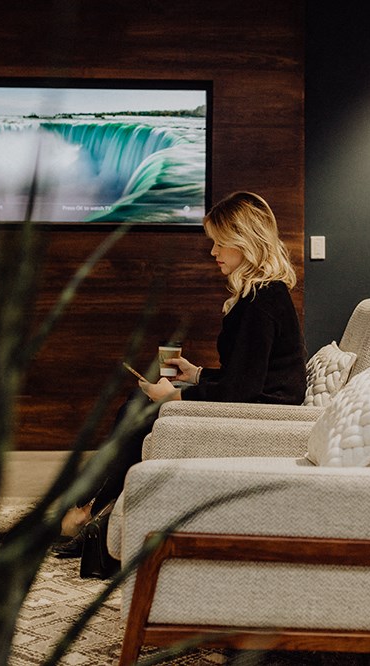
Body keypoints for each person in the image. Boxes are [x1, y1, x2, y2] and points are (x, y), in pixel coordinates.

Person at [57, 191, 307, 557]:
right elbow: (249, 375)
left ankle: (85, 508)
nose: (214, 253)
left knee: (140, 408)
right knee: (137, 403)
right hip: (257, 403)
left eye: (220, 244)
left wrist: (175, 396)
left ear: (245, 242)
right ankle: (90, 508)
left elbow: (244, 390)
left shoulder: (259, 301)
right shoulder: (263, 295)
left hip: (262, 415)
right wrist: (198, 373)